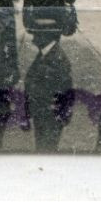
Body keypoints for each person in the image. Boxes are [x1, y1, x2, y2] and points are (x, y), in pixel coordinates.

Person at [25, 11, 75, 153]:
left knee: (46, 151)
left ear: (46, 36)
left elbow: (66, 90)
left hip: (50, 117)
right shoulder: (44, 54)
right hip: (42, 114)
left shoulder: (57, 58)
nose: (33, 38)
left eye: (37, 34)